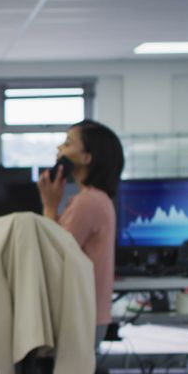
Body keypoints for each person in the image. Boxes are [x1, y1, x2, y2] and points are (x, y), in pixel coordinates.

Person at [37, 119, 124, 340]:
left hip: (83, 316)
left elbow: (54, 253)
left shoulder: (88, 202)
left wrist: (49, 206)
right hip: (88, 314)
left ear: (87, 157)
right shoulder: (94, 198)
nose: (59, 149)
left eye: (67, 143)